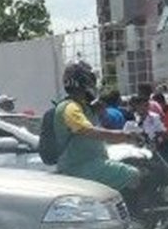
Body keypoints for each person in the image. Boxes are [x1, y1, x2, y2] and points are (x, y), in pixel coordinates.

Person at [54, 60, 141, 195]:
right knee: (134, 175)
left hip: (92, 164)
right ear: (84, 81)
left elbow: (103, 130)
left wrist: (101, 112)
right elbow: (90, 132)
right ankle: (136, 215)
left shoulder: (85, 107)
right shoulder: (70, 108)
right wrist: (127, 136)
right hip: (81, 167)